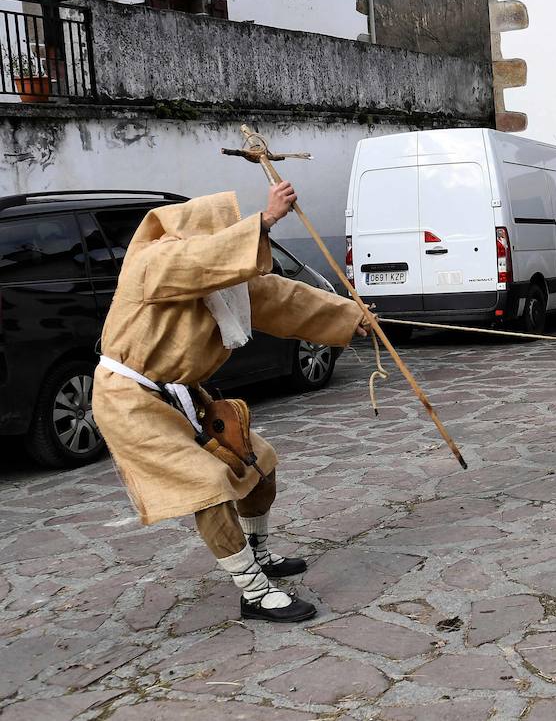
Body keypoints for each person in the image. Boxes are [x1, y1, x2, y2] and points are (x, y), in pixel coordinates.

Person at [93, 183, 367, 621]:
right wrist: (265, 220)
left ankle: (258, 552)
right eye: (223, 231)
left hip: (184, 393)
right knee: (207, 487)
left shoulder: (221, 283)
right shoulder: (155, 262)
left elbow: (280, 296)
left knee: (260, 464)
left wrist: (350, 316)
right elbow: (197, 261)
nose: (230, 239)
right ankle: (254, 592)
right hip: (130, 399)